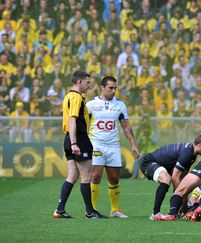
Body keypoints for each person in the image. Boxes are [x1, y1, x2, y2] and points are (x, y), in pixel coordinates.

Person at [53, 70, 105, 219]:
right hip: (79, 139)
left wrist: (71, 141)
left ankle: (59, 209)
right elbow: (72, 120)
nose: (89, 85)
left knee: (72, 176)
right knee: (86, 176)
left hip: (68, 138)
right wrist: (75, 143)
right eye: (87, 82)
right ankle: (90, 212)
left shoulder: (68, 96)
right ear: (79, 82)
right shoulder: (76, 97)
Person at [87, 76, 139, 219]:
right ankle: (92, 210)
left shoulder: (120, 105)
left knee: (115, 178)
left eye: (115, 88)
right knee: (96, 176)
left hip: (113, 146)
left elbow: (126, 126)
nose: (113, 91)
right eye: (110, 88)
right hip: (96, 144)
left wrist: (133, 144)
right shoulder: (91, 105)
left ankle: (115, 210)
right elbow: (83, 124)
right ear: (102, 87)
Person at [138, 134, 201, 220]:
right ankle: (155, 213)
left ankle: (178, 212)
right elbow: (175, 177)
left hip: (160, 165)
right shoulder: (187, 153)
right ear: (199, 145)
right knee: (166, 179)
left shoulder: (192, 155)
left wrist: (184, 207)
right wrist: (180, 194)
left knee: (179, 184)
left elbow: (183, 181)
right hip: (148, 162)